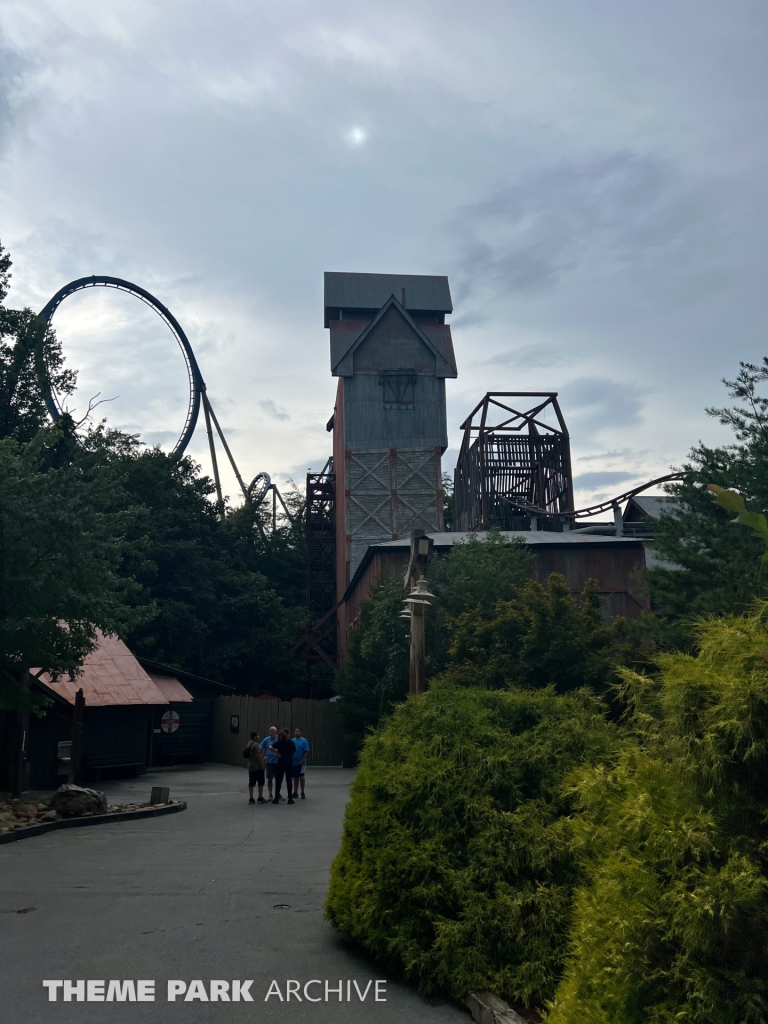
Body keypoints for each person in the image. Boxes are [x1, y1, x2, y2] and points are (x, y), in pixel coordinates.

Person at [271, 730, 296, 805]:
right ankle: (290, 798)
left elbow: (270, 747)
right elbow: (294, 751)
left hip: (280, 763)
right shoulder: (291, 742)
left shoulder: (279, 742)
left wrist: (277, 753)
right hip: (289, 763)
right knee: (289, 781)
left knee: (278, 781)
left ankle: (276, 798)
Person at [245, 732, 266, 804]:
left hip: (250, 765)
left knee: (251, 782)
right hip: (257, 766)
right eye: (257, 735)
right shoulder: (256, 745)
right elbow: (258, 756)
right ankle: (260, 797)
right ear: (254, 737)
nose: (258, 737)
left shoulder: (249, 743)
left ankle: (251, 798)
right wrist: (262, 765)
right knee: (260, 782)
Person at [260, 726, 279, 800]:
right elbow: (260, 747)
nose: (270, 733)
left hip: (278, 762)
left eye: (272, 731)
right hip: (269, 763)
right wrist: (263, 756)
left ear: (275, 732)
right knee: (269, 778)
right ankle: (270, 794)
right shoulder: (266, 739)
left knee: (278, 779)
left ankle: (278, 793)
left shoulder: (279, 738)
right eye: (269, 731)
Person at [292, 727, 309, 799]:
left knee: (301, 777)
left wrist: (303, 760)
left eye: (298, 731)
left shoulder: (304, 741)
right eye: (296, 731)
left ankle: (302, 792)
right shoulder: (292, 741)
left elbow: (306, 751)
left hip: (301, 763)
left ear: (301, 732)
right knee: (295, 778)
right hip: (294, 762)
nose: (297, 732)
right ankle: (295, 792)